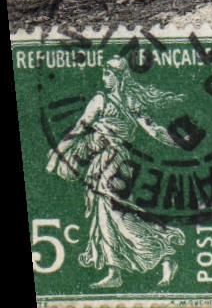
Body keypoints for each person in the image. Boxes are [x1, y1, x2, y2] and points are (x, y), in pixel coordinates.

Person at [46, 55, 188, 289]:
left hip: (116, 160)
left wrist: (177, 141)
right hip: (102, 159)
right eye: (103, 74)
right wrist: (59, 150)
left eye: (109, 74)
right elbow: (80, 127)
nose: (105, 79)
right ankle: (116, 271)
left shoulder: (123, 101)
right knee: (105, 213)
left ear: (120, 77)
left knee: (116, 211)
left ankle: (163, 254)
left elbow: (153, 130)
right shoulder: (103, 99)